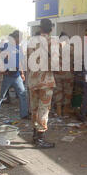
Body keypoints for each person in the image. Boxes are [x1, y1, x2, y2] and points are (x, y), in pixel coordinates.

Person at [27, 19, 58, 148]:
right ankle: (40, 138)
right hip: (45, 81)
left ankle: (35, 136)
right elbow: (55, 64)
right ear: (51, 28)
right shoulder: (53, 41)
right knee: (44, 109)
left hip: (33, 80)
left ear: (40, 28)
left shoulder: (32, 41)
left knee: (34, 108)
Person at [0, 30, 29, 119]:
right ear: (15, 37)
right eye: (20, 38)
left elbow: (20, 61)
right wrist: (2, 70)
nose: (21, 40)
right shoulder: (5, 46)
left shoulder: (18, 48)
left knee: (22, 94)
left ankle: (24, 114)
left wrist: (22, 73)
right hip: (6, 75)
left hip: (16, 76)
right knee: (0, 95)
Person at [53, 32, 74, 117]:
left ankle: (58, 112)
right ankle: (65, 112)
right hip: (68, 74)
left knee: (58, 92)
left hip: (58, 73)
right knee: (68, 93)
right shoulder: (71, 48)